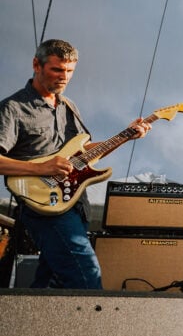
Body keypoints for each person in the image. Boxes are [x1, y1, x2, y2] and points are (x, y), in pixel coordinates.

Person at [0, 39, 151, 289]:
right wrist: (40, 169)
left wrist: (126, 136)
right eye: (57, 70)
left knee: (50, 283)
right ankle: (95, 327)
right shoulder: (13, 109)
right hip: (42, 205)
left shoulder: (68, 106)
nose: (64, 77)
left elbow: (84, 152)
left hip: (75, 202)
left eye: (70, 71)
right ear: (36, 65)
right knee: (85, 274)